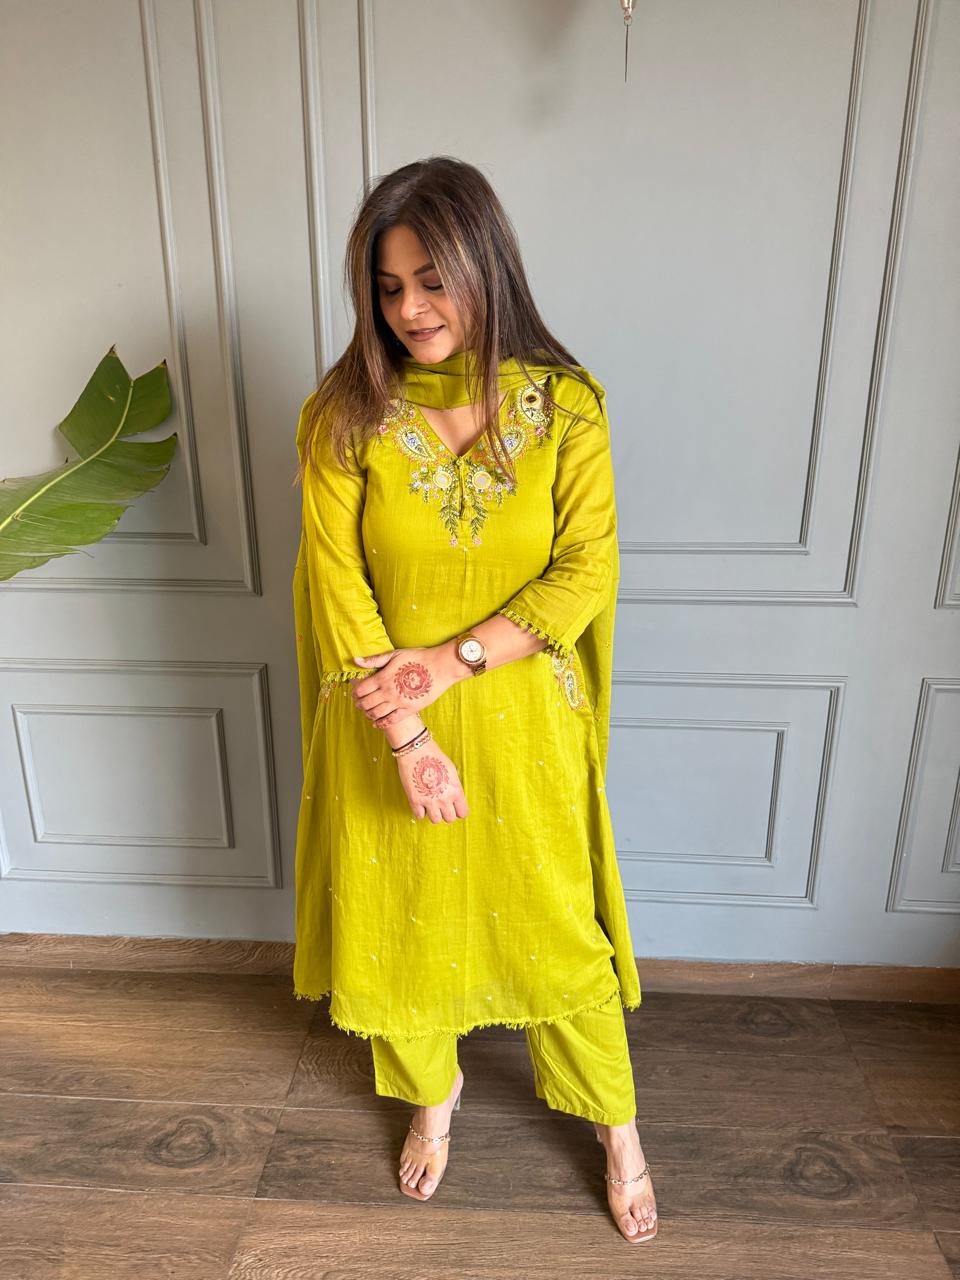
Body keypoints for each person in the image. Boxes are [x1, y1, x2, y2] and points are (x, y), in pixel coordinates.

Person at [291, 156, 658, 1244]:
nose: (410, 309)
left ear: (485, 267)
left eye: (432, 280)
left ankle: (619, 1133)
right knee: (403, 926)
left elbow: (586, 570)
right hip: (382, 722)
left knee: (558, 933)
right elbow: (339, 586)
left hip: (522, 721)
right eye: (388, 287)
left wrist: (449, 664)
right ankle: (431, 1094)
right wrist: (408, 730)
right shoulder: (343, 417)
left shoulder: (565, 408)